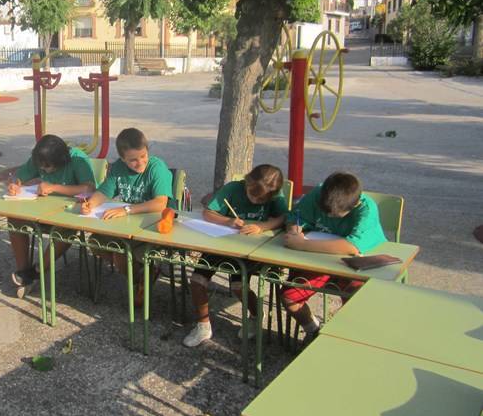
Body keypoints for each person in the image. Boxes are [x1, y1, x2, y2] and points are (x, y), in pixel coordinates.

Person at [184, 164, 287, 347]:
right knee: (197, 280)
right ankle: (203, 324)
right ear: (247, 182)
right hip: (221, 242)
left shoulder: (275, 195)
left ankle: (256, 316)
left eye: (260, 199)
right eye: (251, 194)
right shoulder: (233, 188)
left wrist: (262, 227)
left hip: (250, 249)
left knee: (238, 286)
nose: (255, 201)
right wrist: (228, 221)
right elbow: (208, 212)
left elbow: (284, 218)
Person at [280, 171, 386, 341]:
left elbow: (351, 247)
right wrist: (294, 231)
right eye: (325, 211)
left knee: (357, 300)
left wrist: (302, 244)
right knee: (290, 296)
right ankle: (313, 331)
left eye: (335, 215)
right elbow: (296, 217)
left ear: (355, 204)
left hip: (352, 266)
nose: (329, 216)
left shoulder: (366, 208)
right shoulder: (318, 194)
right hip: (317, 262)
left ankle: (342, 338)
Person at [80, 127, 173, 305]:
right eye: (133, 160)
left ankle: (139, 279)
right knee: (94, 243)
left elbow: (160, 203)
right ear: (122, 159)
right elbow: (104, 192)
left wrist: (127, 210)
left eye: (143, 156)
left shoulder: (157, 167)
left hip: (153, 226)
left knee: (119, 252)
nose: (140, 163)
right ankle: (142, 275)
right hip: (129, 225)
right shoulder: (118, 168)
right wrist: (90, 204)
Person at [5, 134, 96, 298]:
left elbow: (89, 189)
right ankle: (23, 271)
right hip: (41, 211)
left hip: (68, 214)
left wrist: (55, 187)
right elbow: (19, 176)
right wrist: (14, 184)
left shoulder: (77, 159)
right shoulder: (40, 158)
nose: (44, 170)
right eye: (42, 167)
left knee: (66, 230)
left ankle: (38, 270)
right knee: (14, 218)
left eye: (48, 167)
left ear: (62, 160)